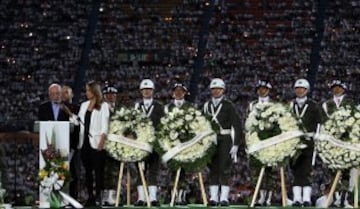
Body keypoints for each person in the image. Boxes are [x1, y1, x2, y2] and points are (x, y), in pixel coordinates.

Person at [202, 78, 244, 206]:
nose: (216, 91)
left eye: (218, 89)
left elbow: (237, 125)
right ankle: (214, 198)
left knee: (225, 168)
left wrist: (236, 144)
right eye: (213, 89)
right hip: (211, 139)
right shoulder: (206, 105)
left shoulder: (228, 105)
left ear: (223, 90)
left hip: (225, 139)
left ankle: (224, 198)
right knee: (212, 169)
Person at [70, 80, 110, 206]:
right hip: (84, 143)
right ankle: (90, 197)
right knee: (87, 172)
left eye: (88, 90)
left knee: (99, 172)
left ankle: (99, 197)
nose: (86, 92)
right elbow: (79, 122)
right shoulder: (83, 105)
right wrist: (70, 115)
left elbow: (105, 126)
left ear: (94, 91)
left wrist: (102, 142)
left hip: (97, 143)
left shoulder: (103, 106)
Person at [318, 79, 356, 208]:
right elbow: (323, 121)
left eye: (339, 87)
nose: (336, 89)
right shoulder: (326, 104)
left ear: (344, 88)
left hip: (345, 142)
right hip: (331, 142)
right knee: (332, 172)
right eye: (334, 87)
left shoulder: (351, 104)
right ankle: (335, 198)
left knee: (345, 172)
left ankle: (344, 200)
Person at [289, 79, 322, 207]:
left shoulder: (313, 105)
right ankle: (297, 198)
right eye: (297, 88)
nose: (299, 90)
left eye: (302, 88)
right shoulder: (290, 105)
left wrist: (317, 136)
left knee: (307, 170)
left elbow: (319, 122)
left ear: (307, 90)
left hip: (309, 141)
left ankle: (306, 198)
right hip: (294, 142)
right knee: (296, 170)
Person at [134, 79, 164, 206]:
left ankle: (152, 198)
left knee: (153, 171)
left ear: (152, 91)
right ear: (141, 91)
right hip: (140, 143)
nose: (146, 91)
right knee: (140, 170)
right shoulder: (137, 106)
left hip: (154, 143)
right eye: (144, 90)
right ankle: (141, 198)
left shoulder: (159, 106)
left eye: (149, 89)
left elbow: (163, 124)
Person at [247, 80, 276, 206]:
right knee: (256, 170)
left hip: (270, 139)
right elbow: (249, 122)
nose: (262, 91)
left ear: (268, 90)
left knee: (270, 172)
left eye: (264, 88)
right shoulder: (252, 104)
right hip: (256, 140)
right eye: (259, 88)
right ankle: (260, 197)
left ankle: (268, 198)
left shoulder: (274, 105)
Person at [164, 83, 192, 205]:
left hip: (186, 143)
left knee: (184, 170)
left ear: (185, 93)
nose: (179, 93)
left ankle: (182, 196)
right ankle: (173, 195)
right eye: (176, 91)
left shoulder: (190, 107)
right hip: (172, 143)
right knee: (172, 170)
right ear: (173, 93)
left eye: (181, 91)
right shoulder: (167, 108)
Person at [60, 85, 81, 200]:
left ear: (71, 95)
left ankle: (74, 198)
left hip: (73, 145)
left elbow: (78, 123)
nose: (63, 95)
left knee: (74, 174)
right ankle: (62, 198)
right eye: (62, 93)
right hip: (60, 145)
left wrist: (69, 113)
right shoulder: (57, 109)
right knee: (61, 173)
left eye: (66, 93)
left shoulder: (78, 108)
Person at [101, 85, 119, 206]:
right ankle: (104, 195)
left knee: (115, 171)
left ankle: (112, 195)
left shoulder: (120, 109)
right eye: (108, 94)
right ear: (104, 96)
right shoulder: (100, 108)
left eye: (113, 94)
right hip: (104, 144)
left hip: (117, 145)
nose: (111, 96)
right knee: (103, 171)